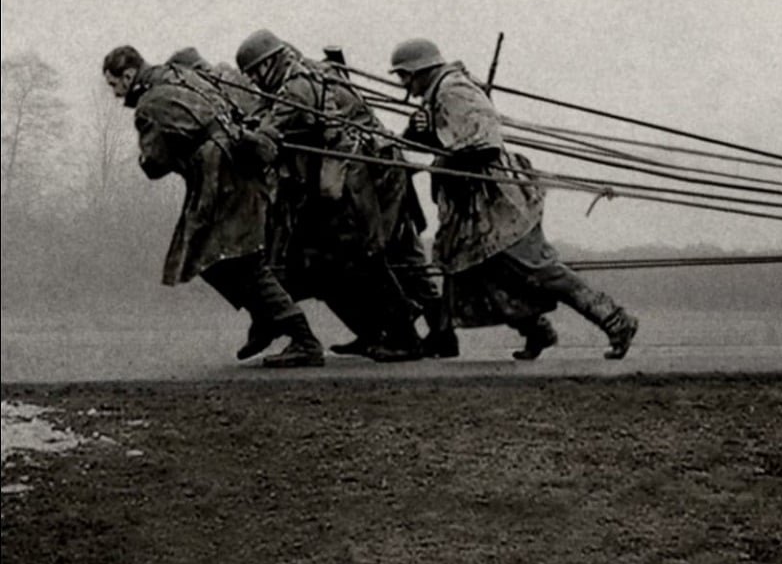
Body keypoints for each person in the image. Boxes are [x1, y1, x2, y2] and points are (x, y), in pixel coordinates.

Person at [390, 37, 638, 360]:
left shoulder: (454, 91)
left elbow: (484, 145)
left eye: (404, 76)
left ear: (419, 70)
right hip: (469, 206)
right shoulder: (440, 93)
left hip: (495, 202)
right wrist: (422, 133)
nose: (404, 85)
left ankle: (616, 321)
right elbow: (433, 139)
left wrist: (440, 153)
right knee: (470, 273)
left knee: (540, 271)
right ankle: (531, 332)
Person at [235, 29, 452, 361]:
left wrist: (239, 136)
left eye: (254, 72)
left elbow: (267, 140)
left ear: (270, 63)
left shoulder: (299, 86)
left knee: (366, 256)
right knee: (383, 256)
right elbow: (269, 113)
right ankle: (410, 333)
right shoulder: (307, 75)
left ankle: (403, 337)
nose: (252, 80)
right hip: (366, 171)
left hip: (363, 176)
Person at [102, 45, 325, 367]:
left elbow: (154, 163)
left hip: (223, 180)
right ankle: (269, 319)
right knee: (213, 259)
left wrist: (146, 158)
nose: (115, 94)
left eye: (114, 85)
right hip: (235, 169)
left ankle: (302, 340)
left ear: (128, 74)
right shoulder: (178, 75)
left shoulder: (150, 104)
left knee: (237, 260)